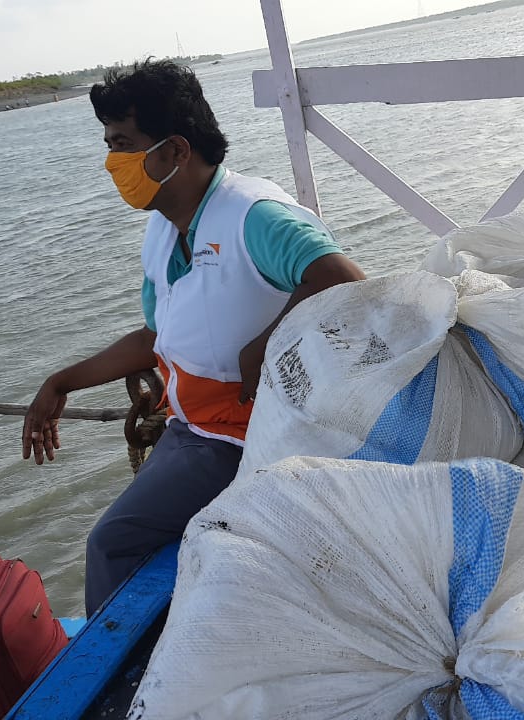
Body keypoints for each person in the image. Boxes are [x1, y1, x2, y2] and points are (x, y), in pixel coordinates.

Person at [22, 59, 366, 615]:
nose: (113, 163)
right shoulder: (163, 232)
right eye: (109, 145)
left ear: (176, 151)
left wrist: (269, 341)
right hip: (194, 429)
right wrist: (62, 381)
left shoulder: (254, 217)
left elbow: (346, 281)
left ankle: (128, 690)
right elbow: (155, 336)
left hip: (246, 436)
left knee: (113, 543)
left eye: (124, 144)